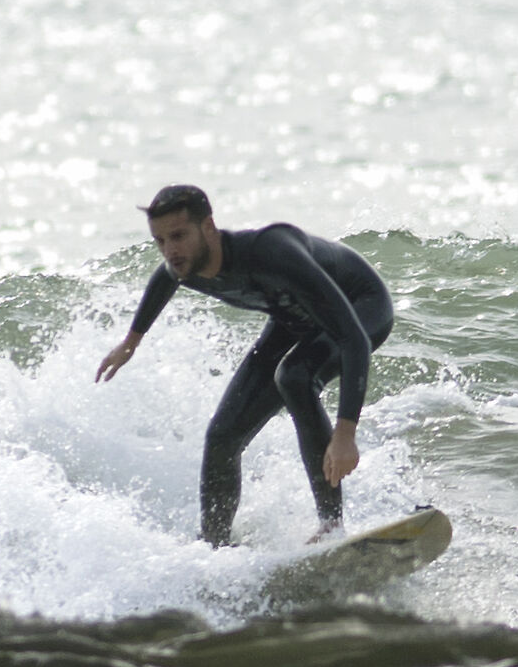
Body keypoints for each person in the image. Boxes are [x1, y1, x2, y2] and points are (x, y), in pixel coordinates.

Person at [96, 184, 394, 546]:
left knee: (295, 376)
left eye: (178, 236)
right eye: (160, 241)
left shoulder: (272, 251)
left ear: (208, 227)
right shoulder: (183, 265)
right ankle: (215, 544)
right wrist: (131, 342)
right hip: (293, 318)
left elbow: (353, 338)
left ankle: (331, 526)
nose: (170, 251)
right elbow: (163, 280)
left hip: (361, 306)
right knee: (222, 435)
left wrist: (345, 433)